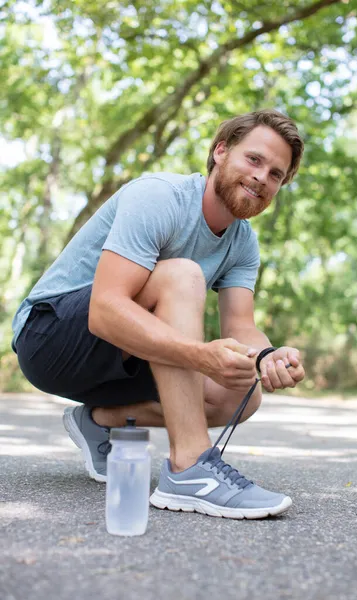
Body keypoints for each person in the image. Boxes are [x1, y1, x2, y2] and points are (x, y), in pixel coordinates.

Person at [12, 108, 305, 520]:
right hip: (50, 339)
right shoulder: (160, 197)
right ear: (220, 151)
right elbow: (105, 311)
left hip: (123, 359)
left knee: (239, 391)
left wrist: (269, 356)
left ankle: (97, 419)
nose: (262, 177)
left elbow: (241, 327)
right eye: (254, 159)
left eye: (276, 174)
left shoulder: (243, 243)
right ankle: (189, 467)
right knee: (183, 276)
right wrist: (201, 356)